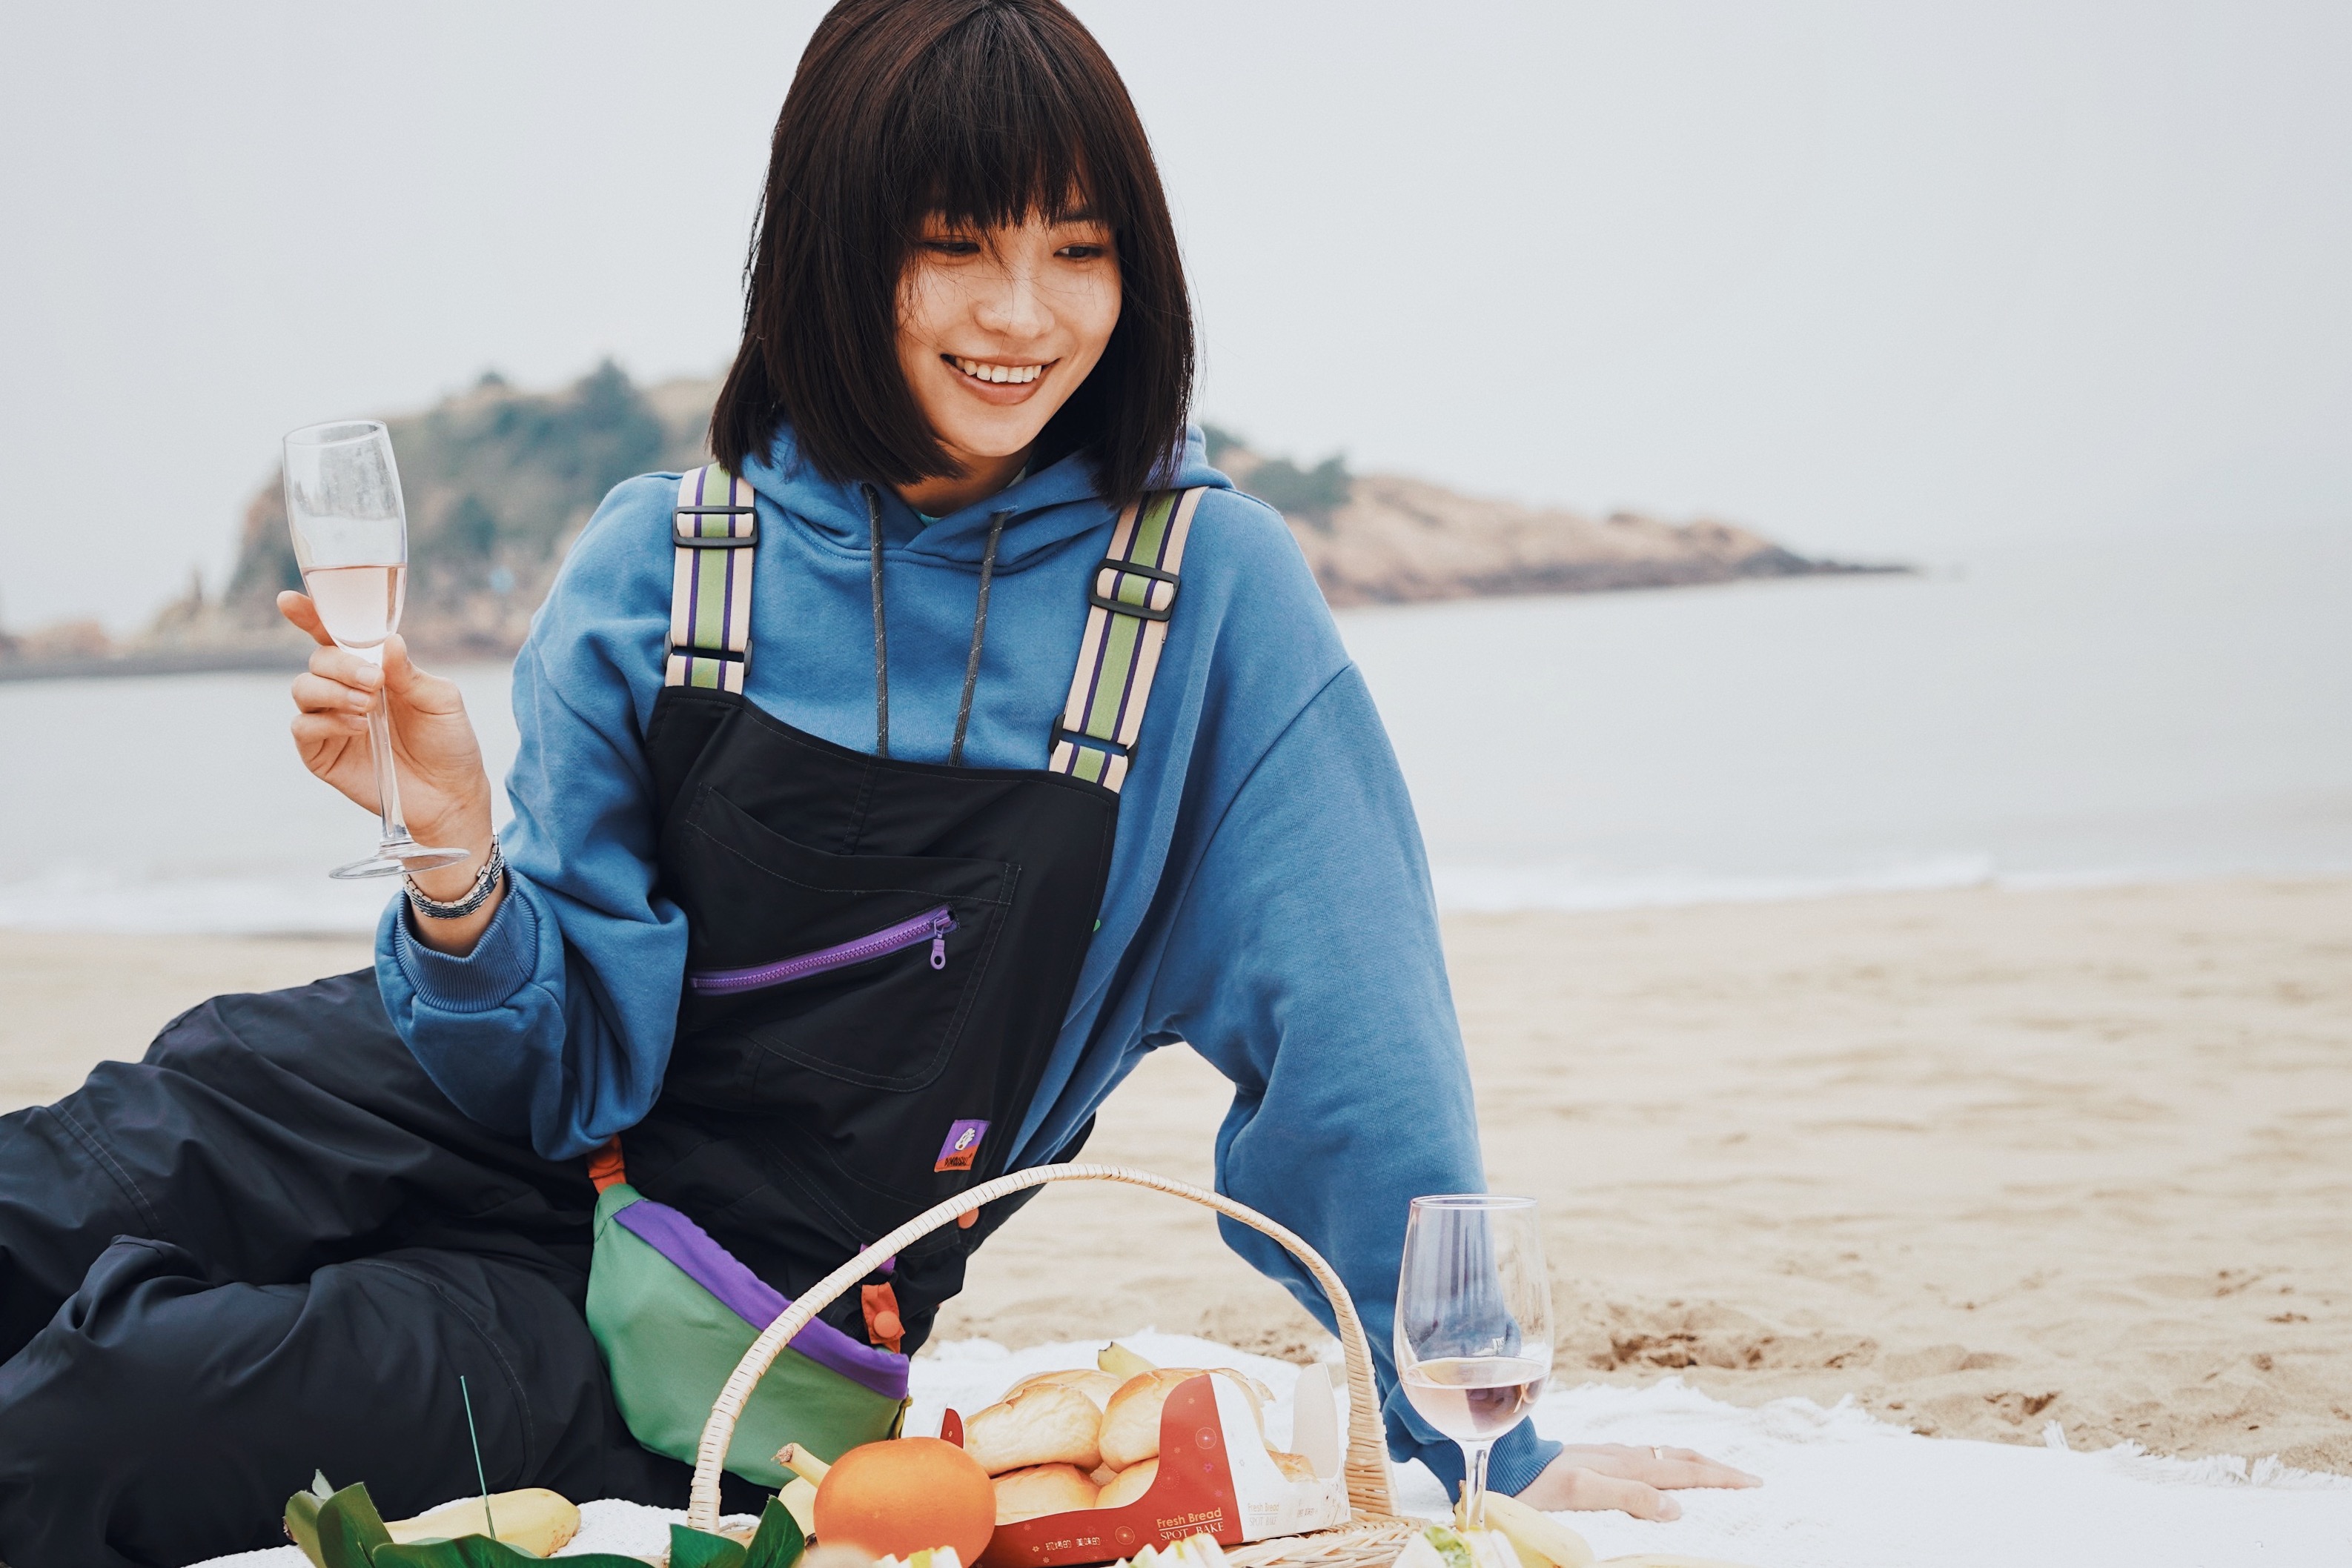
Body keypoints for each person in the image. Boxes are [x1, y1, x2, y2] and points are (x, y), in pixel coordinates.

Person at [0, 4, 1752, 1564]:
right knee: (44, 1199)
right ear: (841, 257)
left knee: (108, 1417)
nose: (1023, 315)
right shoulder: (661, 560)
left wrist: (1492, 1442)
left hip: (715, 1311)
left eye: (1079, 249)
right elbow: (560, 1068)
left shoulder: (1205, 603)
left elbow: (1356, 1043)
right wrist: (456, 857)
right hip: (434, 1080)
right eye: (956, 248)